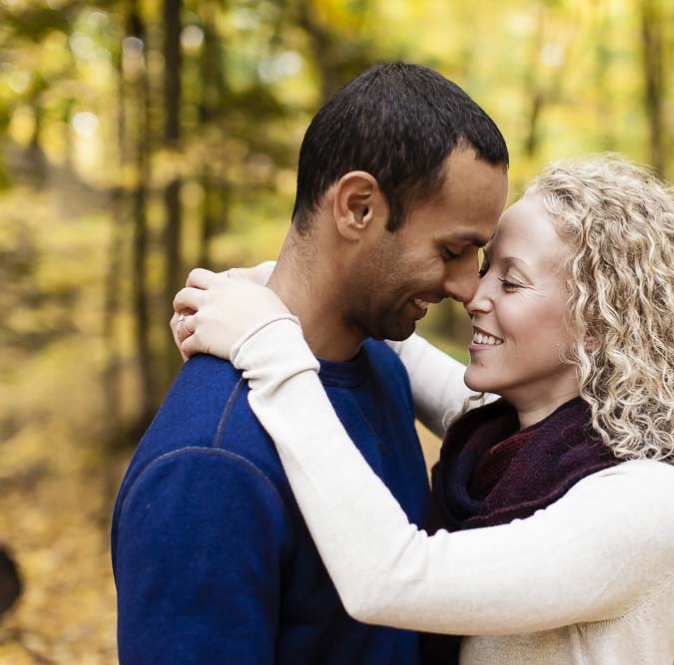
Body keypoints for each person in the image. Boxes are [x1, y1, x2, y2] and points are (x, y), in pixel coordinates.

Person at [174, 155, 674, 664]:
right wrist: (270, 289)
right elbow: (401, 350)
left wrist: (267, 344)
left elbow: (390, 576)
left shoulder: (650, 502)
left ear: (601, 325)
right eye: (484, 268)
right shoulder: (498, 431)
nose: (472, 294)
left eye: (510, 282)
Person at [111, 62, 509, 665]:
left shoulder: (381, 367)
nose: (465, 286)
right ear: (356, 207)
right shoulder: (208, 466)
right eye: (452, 250)